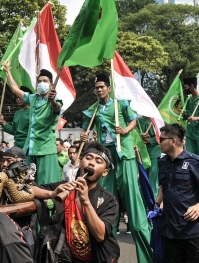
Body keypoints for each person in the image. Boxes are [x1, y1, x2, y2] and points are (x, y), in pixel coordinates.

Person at [80, 73, 153, 262]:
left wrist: (126, 130)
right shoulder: (94, 109)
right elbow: (85, 128)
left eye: (102, 86)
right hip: (106, 157)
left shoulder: (120, 104)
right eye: (96, 87)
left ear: (109, 88)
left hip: (125, 153)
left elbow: (134, 120)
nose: (99, 90)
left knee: (133, 200)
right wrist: (83, 136)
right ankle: (104, 255)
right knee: (105, 199)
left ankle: (148, 255)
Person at [33, 143, 120, 263]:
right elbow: (30, 189)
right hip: (66, 257)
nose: (91, 163)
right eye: (88, 158)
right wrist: (52, 194)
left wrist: (85, 201)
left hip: (98, 258)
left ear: (105, 172)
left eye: (98, 161)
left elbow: (100, 235)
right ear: (80, 161)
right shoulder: (64, 187)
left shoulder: (109, 199)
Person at [156, 123, 199, 263]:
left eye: (161, 140)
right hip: (169, 230)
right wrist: (158, 201)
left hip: (192, 231)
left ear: (173, 141)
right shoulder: (162, 162)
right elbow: (163, 186)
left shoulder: (195, 162)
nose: (158, 143)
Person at [3, 62, 62, 185]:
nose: (41, 83)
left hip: (46, 149)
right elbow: (14, 89)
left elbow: (57, 109)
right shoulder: (32, 98)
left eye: (45, 81)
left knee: (47, 184)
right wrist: (7, 71)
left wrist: (52, 101)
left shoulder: (55, 101)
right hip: (30, 149)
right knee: (27, 182)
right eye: (39, 81)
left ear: (51, 85)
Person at [0, 86, 31, 151]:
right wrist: (3, 122)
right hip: (17, 146)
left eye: (20, 97)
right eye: (16, 97)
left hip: (29, 146)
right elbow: (14, 131)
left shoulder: (33, 112)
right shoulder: (17, 113)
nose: (18, 99)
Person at [138, 115, 160, 197]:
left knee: (153, 177)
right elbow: (134, 134)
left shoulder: (156, 121)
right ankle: (143, 199)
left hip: (153, 152)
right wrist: (140, 136)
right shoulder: (137, 121)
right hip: (141, 152)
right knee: (143, 176)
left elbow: (160, 135)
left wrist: (149, 140)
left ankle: (154, 200)